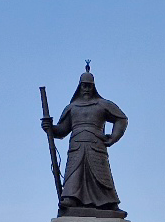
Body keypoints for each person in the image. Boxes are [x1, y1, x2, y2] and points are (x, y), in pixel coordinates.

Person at [41, 66, 128, 212]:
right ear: (79, 86)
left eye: (89, 86)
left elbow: (121, 119)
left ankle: (108, 202)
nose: (86, 89)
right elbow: (62, 130)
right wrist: (50, 128)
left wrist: (114, 137)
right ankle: (71, 198)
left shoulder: (102, 104)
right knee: (74, 172)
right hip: (76, 145)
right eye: (84, 85)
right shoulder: (72, 107)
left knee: (101, 174)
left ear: (93, 87)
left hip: (96, 144)